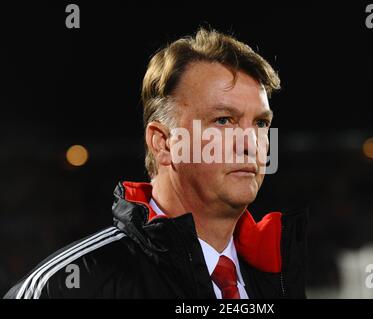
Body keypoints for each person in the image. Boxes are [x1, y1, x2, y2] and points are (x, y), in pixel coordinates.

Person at [4, 28, 307, 299]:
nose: (250, 144)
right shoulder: (65, 288)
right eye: (224, 120)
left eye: (260, 123)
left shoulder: (277, 276)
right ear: (163, 143)